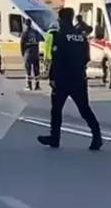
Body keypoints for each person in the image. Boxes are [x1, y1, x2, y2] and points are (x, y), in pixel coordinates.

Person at [38, 8, 103, 150]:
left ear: (61, 19)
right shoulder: (80, 36)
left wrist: (52, 77)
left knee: (56, 110)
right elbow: (87, 58)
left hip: (62, 79)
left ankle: (55, 138)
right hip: (79, 78)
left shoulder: (59, 36)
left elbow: (57, 60)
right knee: (84, 109)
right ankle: (97, 136)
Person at [20, 18, 42, 90]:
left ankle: (29, 86)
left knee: (28, 70)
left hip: (28, 52)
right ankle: (37, 85)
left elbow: (22, 44)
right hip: (35, 52)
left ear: (25, 24)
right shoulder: (36, 32)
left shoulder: (25, 33)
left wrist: (23, 54)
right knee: (36, 69)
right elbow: (39, 40)